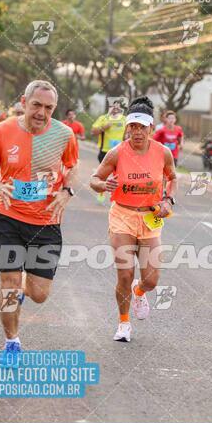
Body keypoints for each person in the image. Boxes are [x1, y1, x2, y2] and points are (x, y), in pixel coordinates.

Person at [0, 80, 78, 366]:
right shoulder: (2, 131)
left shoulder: (64, 134)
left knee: (39, 295)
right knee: (9, 285)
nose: (41, 112)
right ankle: (11, 342)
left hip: (47, 223)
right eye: (36, 105)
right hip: (9, 218)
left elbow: (72, 166)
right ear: (24, 102)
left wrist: (66, 190)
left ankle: (25, 285)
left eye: (48, 108)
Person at [90, 96, 177, 343]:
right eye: (133, 127)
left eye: (142, 127)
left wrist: (168, 200)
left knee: (151, 279)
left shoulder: (163, 153)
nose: (137, 132)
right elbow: (94, 179)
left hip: (150, 218)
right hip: (122, 216)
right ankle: (124, 323)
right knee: (125, 274)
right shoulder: (117, 153)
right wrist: (103, 184)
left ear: (151, 128)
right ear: (128, 127)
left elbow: (173, 178)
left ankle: (140, 292)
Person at [91, 100, 126, 204]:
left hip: (120, 152)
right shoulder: (103, 118)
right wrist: (104, 127)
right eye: (113, 107)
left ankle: (118, 195)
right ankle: (101, 191)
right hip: (105, 151)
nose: (115, 109)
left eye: (117, 107)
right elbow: (93, 132)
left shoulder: (125, 120)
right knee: (103, 175)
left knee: (120, 175)